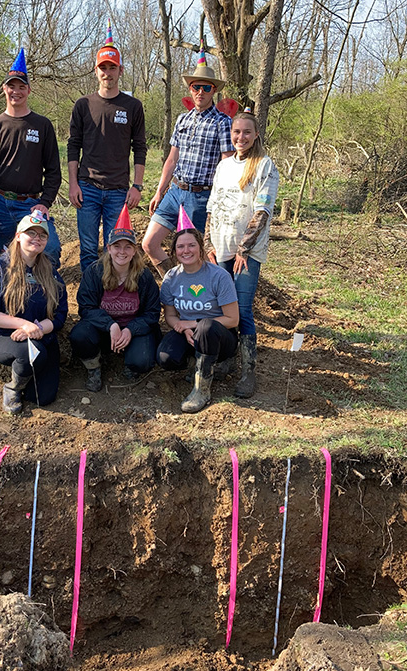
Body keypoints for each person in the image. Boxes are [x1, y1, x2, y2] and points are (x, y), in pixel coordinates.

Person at [205, 110, 280, 398]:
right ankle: (225, 359)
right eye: (237, 132)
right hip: (220, 248)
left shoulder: (264, 165)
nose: (241, 137)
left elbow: (262, 211)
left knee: (243, 309)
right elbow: (212, 207)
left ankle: (248, 370)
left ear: (256, 134)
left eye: (247, 132)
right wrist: (208, 245)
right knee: (222, 309)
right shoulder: (224, 165)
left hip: (247, 252)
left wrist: (244, 249)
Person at [142, 50, 234, 275]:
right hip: (175, 192)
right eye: (196, 87)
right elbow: (172, 159)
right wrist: (159, 191)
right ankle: (174, 284)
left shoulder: (223, 122)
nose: (200, 92)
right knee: (149, 244)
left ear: (214, 90)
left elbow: (227, 164)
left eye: (206, 88)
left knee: (197, 255)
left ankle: (201, 301)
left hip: (201, 197)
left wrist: (220, 200)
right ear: (190, 89)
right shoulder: (182, 119)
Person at [67, 22, 148, 279]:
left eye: (112, 67)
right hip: (87, 189)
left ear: (120, 70)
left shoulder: (132, 106)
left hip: (118, 191)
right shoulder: (83, 105)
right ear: (96, 71)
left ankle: (112, 297)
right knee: (89, 250)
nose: (107, 72)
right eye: (103, 67)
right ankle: (89, 300)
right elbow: (73, 145)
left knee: (115, 249)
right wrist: (73, 184)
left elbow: (140, 147)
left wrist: (137, 185)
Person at [0, 209, 69, 415]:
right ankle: (13, 387)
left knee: (43, 397)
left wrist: (37, 328)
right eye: (30, 233)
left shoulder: (50, 271)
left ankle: (30, 375)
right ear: (18, 236)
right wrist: (22, 324)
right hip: (2, 335)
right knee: (30, 354)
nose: (37, 238)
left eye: (42, 235)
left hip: (41, 336)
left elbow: (60, 315)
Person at [0, 47, 63, 268]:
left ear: (29, 90)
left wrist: (45, 203)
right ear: (4, 89)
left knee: (50, 249)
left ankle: (43, 296)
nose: (16, 91)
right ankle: (1, 301)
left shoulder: (42, 125)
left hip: (31, 205)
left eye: (21, 87)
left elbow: (53, 171)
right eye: (11, 86)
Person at [69, 205, 161, 391]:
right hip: (103, 330)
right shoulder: (94, 272)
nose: (122, 251)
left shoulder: (144, 276)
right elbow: (85, 308)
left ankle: (130, 361)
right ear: (108, 248)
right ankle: (94, 367)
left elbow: (152, 313)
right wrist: (110, 325)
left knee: (142, 361)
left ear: (134, 250)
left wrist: (131, 330)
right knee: (79, 335)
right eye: (117, 246)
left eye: (128, 247)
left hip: (134, 329)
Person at [157, 206, 239, 413]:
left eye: (191, 245)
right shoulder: (171, 278)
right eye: (181, 247)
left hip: (220, 335)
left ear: (200, 248)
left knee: (206, 327)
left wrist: (193, 324)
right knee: (165, 358)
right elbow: (170, 315)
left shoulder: (219, 276)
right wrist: (182, 328)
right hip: (188, 332)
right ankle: (199, 361)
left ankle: (202, 388)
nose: (186, 251)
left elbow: (232, 319)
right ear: (174, 251)